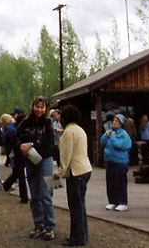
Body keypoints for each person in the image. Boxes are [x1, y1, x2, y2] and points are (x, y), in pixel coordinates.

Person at [15, 96, 56, 240]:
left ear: (45, 108)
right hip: (30, 159)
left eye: (42, 107)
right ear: (32, 107)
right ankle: (38, 224)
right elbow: (17, 137)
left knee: (46, 193)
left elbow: (49, 142)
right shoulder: (25, 122)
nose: (39, 110)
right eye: (37, 107)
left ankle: (50, 226)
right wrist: (21, 145)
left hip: (46, 159)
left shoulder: (48, 122)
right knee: (34, 194)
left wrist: (32, 143)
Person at [53, 105, 92, 247]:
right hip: (85, 169)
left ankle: (77, 238)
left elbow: (65, 157)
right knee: (80, 205)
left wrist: (58, 174)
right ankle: (82, 235)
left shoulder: (68, 133)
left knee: (75, 207)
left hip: (76, 172)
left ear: (65, 118)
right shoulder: (80, 130)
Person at [101, 114, 132, 212]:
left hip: (120, 161)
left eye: (117, 121)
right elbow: (102, 143)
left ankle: (122, 202)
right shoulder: (110, 132)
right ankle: (112, 201)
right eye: (114, 120)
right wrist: (106, 135)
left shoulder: (124, 134)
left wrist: (113, 137)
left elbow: (119, 145)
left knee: (120, 182)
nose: (114, 122)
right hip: (110, 160)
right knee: (110, 182)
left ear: (121, 123)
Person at [0, 112, 29, 203]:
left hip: (16, 153)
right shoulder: (23, 129)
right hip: (22, 152)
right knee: (19, 173)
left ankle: (7, 185)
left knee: (19, 173)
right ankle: (8, 185)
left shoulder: (11, 129)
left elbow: (4, 139)